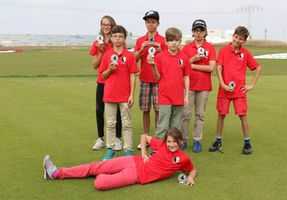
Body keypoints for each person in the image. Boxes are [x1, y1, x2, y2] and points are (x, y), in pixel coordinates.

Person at [43, 128, 197, 191]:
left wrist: (190, 177)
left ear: (181, 142)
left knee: (99, 183)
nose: (170, 144)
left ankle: (105, 174)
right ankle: (55, 173)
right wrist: (144, 154)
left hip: (136, 176)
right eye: (168, 141)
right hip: (132, 161)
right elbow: (144, 137)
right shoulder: (162, 144)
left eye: (174, 142)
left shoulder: (183, 158)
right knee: (94, 167)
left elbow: (193, 169)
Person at [208, 26, 262, 155]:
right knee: (221, 115)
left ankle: (247, 143)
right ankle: (218, 141)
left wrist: (251, 85)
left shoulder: (246, 53)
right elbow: (219, 68)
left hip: (239, 92)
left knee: (243, 116)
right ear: (233, 36)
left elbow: (258, 67)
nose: (237, 40)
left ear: (244, 41)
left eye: (241, 39)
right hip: (225, 90)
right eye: (236, 37)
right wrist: (222, 83)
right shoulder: (223, 51)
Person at [99, 25, 139, 160]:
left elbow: (133, 75)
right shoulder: (107, 55)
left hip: (124, 96)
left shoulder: (129, 56)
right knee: (110, 123)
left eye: (120, 36)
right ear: (111, 38)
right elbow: (103, 75)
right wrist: (110, 69)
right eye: (115, 36)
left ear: (124, 38)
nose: (117, 39)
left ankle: (128, 149)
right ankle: (110, 149)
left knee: (126, 123)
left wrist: (131, 95)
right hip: (109, 95)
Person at [180, 19, 216, 153]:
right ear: (192, 32)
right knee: (185, 114)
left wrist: (192, 65)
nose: (199, 33)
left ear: (205, 32)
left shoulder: (210, 48)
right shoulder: (187, 47)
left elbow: (211, 68)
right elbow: (182, 65)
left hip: (204, 86)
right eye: (196, 30)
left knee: (200, 115)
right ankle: (183, 139)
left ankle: (197, 140)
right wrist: (193, 60)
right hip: (188, 86)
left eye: (201, 30)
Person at [148, 27, 190, 140]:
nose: (174, 43)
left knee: (175, 128)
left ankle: (172, 152)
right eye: (171, 40)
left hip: (179, 97)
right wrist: (152, 66)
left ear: (180, 41)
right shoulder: (160, 57)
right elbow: (157, 78)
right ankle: (156, 150)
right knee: (162, 126)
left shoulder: (184, 57)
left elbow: (186, 77)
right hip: (164, 97)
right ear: (166, 42)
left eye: (176, 40)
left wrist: (186, 96)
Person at [134, 10, 168, 150]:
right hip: (145, 79)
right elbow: (134, 60)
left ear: (158, 23)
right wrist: (142, 49)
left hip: (159, 79)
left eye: (153, 22)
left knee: (159, 110)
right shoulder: (140, 40)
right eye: (148, 22)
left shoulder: (163, 41)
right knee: (146, 109)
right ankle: (147, 137)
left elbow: (168, 60)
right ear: (145, 23)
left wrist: (160, 50)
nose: (150, 24)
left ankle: (157, 138)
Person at [89, 16, 123, 151]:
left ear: (112, 25)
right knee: (99, 110)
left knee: (118, 110)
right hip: (102, 80)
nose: (106, 27)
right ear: (101, 25)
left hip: (115, 81)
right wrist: (102, 53)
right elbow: (94, 65)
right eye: (104, 24)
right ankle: (100, 139)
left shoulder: (117, 39)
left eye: (108, 24)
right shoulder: (98, 43)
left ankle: (118, 138)